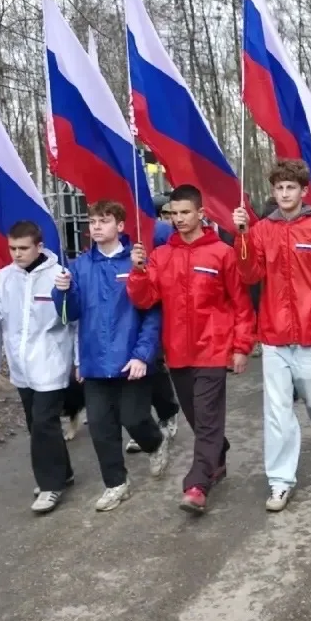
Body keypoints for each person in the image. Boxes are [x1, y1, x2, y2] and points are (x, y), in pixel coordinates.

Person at [232, 159, 311, 512]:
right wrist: (240, 235)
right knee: (277, 410)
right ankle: (280, 480)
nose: (284, 194)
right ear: (274, 192)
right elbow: (250, 275)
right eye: (279, 188)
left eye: (291, 188)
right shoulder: (259, 231)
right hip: (274, 335)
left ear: (303, 191)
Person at [129, 185, 256, 514]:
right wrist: (140, 271)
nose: (179, 219)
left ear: (201, 214)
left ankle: (198, 484)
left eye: (186, 212)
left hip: (213, 348)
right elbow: (145, 299)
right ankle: (218, 452)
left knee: (208, 415)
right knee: (199, 418)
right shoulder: (161, 256)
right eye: (174, 213)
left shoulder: (221, 253)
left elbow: (241, 304)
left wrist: (241, 346)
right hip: (178, 351)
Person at [53, 200, 168, 512]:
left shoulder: (136, 263)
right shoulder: (79, 267)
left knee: (134, 418)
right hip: (95, 364)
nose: (96, 227)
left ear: (120, 226)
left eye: (103, 221)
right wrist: (62, 292)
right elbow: (68, 315)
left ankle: (155, 443)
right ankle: (116, 484)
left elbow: (152, 314)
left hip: (132, 361)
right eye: (92, 221)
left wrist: (143, 355)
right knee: (102, 428)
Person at [0, 220, 75, 513]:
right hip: (21, 366)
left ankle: (50, 485)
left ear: (39, 247)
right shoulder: (3, 278)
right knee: (36, 423)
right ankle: (64, 472)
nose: (17, 254)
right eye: (12, 248)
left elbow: (72, 321)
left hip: (51, 362)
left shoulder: (59, 275)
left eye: (23, 248)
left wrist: (77, 361)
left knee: (45, 423)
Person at [125, 195, 181, 454]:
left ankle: (165, 414)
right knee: (142, 367)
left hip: (152, 301)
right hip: (130, 302)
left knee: (152, 365)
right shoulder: (120, 228)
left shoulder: (160, 231)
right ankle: (149, 422)